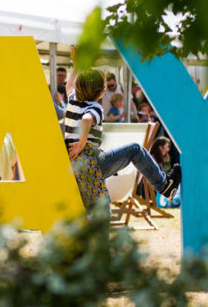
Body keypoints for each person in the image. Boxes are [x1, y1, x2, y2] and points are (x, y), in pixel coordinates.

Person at [64, 67, 181, 214]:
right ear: (101, 92)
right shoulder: (95, 107)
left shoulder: (72, 102)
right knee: (135, 150)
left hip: (73, 165)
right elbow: (86, 119)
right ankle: (164, 185)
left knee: (97, 210)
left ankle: (164, 184)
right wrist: (81, 143)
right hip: (92, 163)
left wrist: (76, 65)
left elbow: (69, 85)